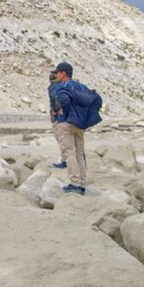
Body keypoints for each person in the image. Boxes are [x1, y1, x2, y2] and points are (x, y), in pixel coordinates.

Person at [52, 62, 90, 194]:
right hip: (80, 124)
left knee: (70, 154)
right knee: (79, 153)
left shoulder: (63, 86)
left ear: (63, 73)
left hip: (66, 123)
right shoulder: (82, 86)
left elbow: (60, 104)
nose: (56, 75)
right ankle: (82, 183)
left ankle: (75, 183)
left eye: (57, 72)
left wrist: (60, 113)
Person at [48, 71, 68, 168]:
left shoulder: (53, 87)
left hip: (58, 117)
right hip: (68, 116)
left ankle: (64, 161)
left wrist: (55, 110)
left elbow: (53, 97)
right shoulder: (65, 85)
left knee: (61, 139)